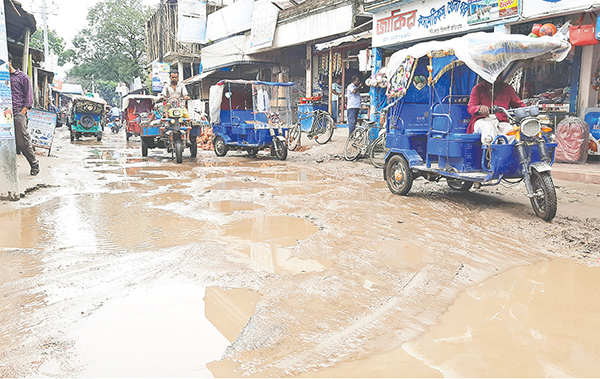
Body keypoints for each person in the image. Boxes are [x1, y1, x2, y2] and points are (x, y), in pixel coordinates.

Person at [467, 77, 525, 144]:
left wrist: (530, 109)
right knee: (488, 127)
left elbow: (519, 105)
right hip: (482, 121)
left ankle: (508, 153)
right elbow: (470, 108)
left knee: (512, 131)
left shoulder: (508, 89)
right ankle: (489, 153)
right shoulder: (478, 88)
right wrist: (480, 108)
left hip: (501, 122)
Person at [8, 53, 39, 176]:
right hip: (4, 115)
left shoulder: (23, 77)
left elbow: (29, 98)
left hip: (18, 113)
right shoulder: (2, 78)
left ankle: (34, 163)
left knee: (22, 142)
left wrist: (22, 113)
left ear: (9, 62)